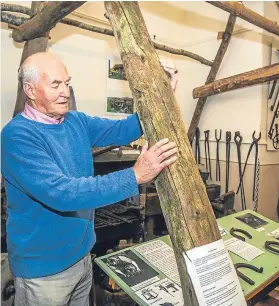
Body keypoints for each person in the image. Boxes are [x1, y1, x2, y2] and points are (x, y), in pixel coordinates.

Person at [1, 52, 178, 306]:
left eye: (67, 82)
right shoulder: (17, 137)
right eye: (55, 84)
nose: (65, 91)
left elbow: (124, 129)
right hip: (44, 272)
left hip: (82, 258)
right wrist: (135, 175)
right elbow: (63, 194)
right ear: (29, 90)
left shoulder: (75, 121)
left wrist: (164, 94)